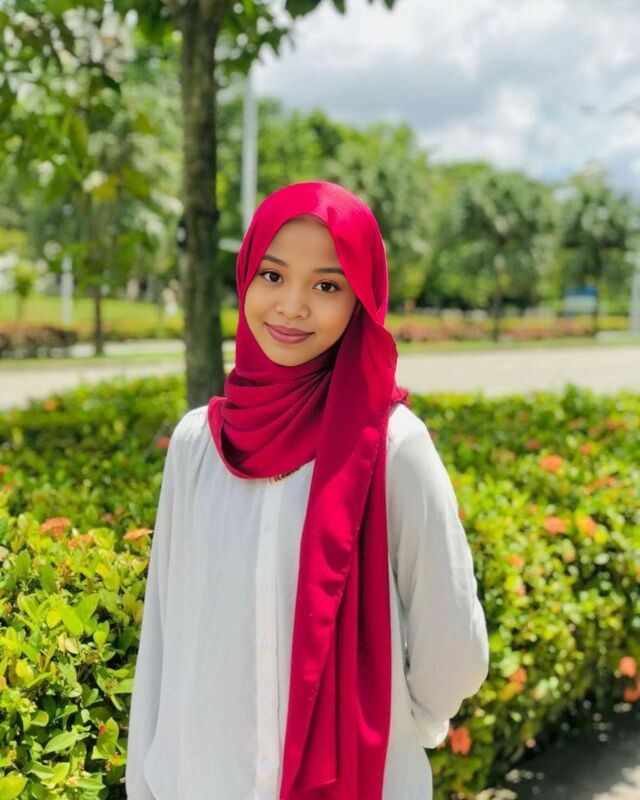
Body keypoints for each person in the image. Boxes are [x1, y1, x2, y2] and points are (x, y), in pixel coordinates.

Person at [124, 181, 489, 800]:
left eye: (326, 286)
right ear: (246, 277)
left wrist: (407, 727)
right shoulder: (197, 445)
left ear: (360, 302)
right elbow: (165, 629)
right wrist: (148, 778)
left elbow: (450, 634)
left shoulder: (392, 447)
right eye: (273, 276)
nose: (291, 306)